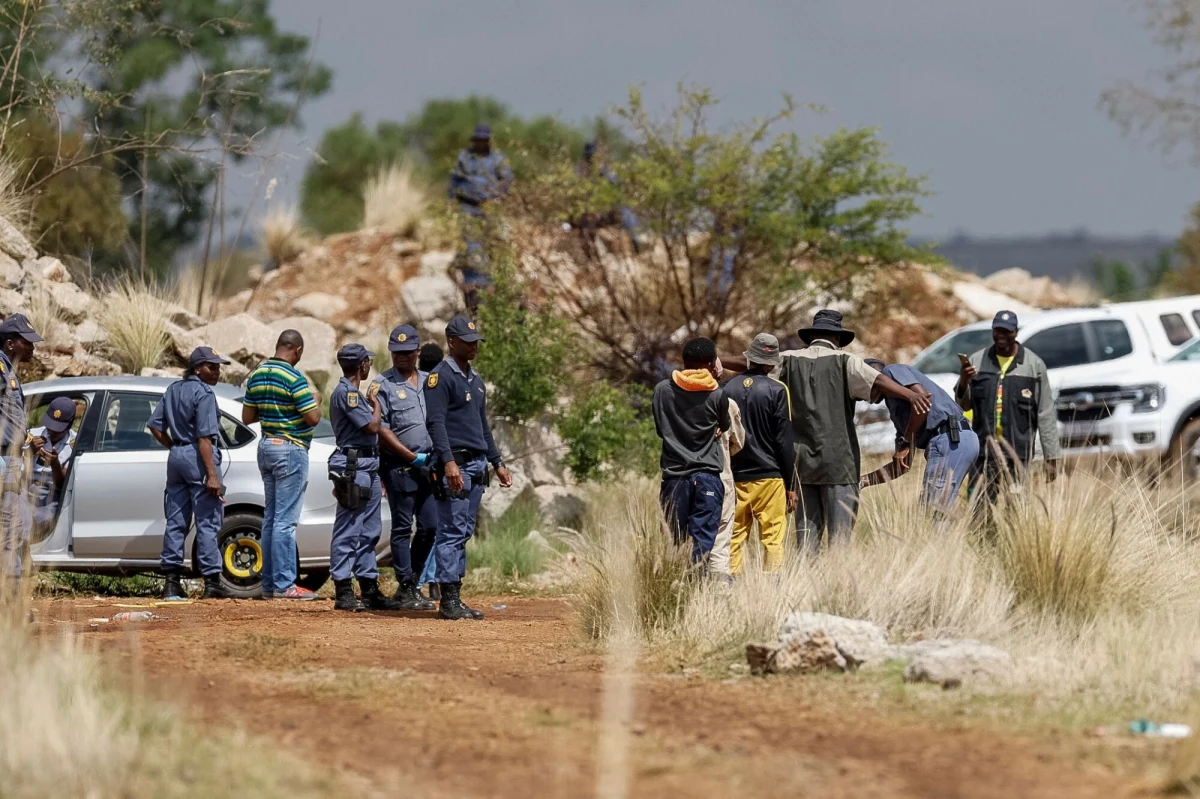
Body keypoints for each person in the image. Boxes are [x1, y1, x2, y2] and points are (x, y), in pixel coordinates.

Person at [778, 310, 932, 551]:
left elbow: (752, 364)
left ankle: (803, 587)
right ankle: (837, 586)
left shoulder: (787, 359)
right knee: (840, 540)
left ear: (811, 336)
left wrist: (714, 359)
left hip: (802, 463)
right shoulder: (846, 362)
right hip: (840, 464)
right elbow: (878, 381)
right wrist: (910, 395)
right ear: (837, 338)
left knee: (806, 539)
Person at [424, 315, 513, 620]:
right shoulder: (439, 378)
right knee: (450, 531)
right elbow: (435, 423)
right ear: (452, 342)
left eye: (476, 341)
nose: (474, 346)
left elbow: (482, 426)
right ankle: (447, 600)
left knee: (462, 532)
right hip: (456, 465)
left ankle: (456, 596)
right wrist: (448, 462)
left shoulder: (475, 381)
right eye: (468, 341)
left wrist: (497, 462)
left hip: (477, 466)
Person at [242, 330, 322, 601]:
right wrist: (317, 401)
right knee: (285, 522)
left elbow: (247, 416)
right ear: (297, 350)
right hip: (290, 450)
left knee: (271, 519)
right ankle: (286, 584)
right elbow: (312, 418)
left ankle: (270, 584)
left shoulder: (259, 373)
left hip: (266, 447)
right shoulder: (294, 377)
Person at [147, 346, 231, 601]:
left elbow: (155, 426)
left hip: (177, 458)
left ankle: (172, 584)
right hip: (198, 457)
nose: (217, 372)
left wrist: (175, 447)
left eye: (218, 367)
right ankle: (212, 582)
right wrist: (212, 475)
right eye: (211, 366)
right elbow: (205, 438)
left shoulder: (173, 389)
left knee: (176, 521)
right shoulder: (204, 394)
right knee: (207, 522)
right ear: (197, 368)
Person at [955, 310, 1060, 506]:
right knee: (980, 506)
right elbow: (963, 405)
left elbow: (1045, 414)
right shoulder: (977, 361)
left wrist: (1051, 456)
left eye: (1007, 331)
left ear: (1016, 332)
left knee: (1017, 507)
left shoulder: (1034, 365)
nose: (1001, 335)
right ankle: (982, 536)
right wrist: (964, 381)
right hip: (983, 451)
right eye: (997, 330)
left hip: (1018, 452)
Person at [369, 324, 437, 611]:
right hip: (400, 467)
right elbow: (382, 430)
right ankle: (407, 587)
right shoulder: (381, 385)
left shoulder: (430, 381)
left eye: (408, 353)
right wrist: (410, 457)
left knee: (430, 526)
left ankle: (413, 581)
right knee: (401, 527)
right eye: (397, 353)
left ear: (418, 353)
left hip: (429, 466)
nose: (402, 358)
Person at [859, 359, 980, 516]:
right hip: (956, 439)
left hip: (949, 438)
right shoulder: (896, 407)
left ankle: (939, 540)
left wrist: (907, 442)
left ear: (873, 379)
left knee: (934, 510)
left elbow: (923, 398)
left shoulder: (891, 371)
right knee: (934, 508)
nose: (861, 395)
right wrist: (863, 480)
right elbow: (902, 464)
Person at [327, 343, 398, 612]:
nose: (369, 365)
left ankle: (369, 587)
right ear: (362, 366)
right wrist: (377, 406)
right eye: (367, 362)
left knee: (370, 530)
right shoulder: (348, 394)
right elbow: (371, 426)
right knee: (348, 529)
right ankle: (343, 589)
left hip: (367, 463)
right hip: (353, 465)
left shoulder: (353, 393)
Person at [651, 337, 732, 566]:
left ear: (683, 361)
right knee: (703, 544)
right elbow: (724, 425)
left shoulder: (662, 391)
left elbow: (661, 430)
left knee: (674, 541)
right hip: (707, 477)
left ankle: (677, 593)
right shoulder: (718, 395)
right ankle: (698, 594)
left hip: (674, 478)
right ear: (710, 365)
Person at [723, 334, 796, 575]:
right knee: (772, 539)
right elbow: (784, 441)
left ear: (749, 358)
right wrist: (791, 484)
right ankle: (771, 593)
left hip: (736, 476)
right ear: (771, 363)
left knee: (734, 538)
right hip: (770, 477)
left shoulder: (727, 388)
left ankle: (730, 592)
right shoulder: (778, 390)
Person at [449, 124, 514, 311]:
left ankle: (494, 284)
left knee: (494, 245)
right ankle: (473, 285)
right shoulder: (465, 158)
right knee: (471, 245)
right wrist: (451, 200)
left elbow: (508, 180)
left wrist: (497, 198)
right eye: (478, 140)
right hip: (467, 207)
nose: (480, 143)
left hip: (489, 209)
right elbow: (454, 180)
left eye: (483, 140)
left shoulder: (498, 159)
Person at [0, 313, 42, 581]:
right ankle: (12, 600)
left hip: (11, 458)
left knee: (16, 526)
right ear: (10, 343)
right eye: (27, 342)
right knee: (10, 527)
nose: (32, 347)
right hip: (4, 459)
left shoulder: (8, 370)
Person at [707, 358, 745, 580]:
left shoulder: (672, 397)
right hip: (721, 478)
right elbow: (738, 444)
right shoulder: (727, 404)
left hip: (682, 478)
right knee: (720, 544)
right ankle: (720, 599)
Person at [25, 397, 78, 533]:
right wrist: (30, 452)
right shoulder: (31, 435)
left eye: (58, 429)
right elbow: (13, 470)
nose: (52, 431)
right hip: (25, 490)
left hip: (51, 494)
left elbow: (62, 485)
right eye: (50, 425)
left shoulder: (75, 445)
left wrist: (55, 464)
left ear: (70, 424)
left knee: (43, 521)